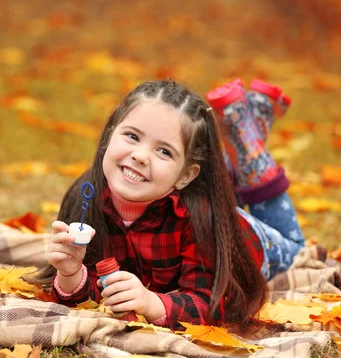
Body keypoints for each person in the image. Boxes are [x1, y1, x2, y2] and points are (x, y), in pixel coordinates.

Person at [38, 79, 305, 330]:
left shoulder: (201, 220)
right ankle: (239, 142)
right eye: (132, 136)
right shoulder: (84, 199)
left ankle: (248, 148)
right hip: (187, 192)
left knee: (295, 247)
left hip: (249, 239)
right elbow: (96, 289)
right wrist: (71, 274)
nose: (140, 155)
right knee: (212, 179)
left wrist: (153, 303)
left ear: (186, 176)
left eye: (164, 151)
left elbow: (210, 303)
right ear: (109, 135)